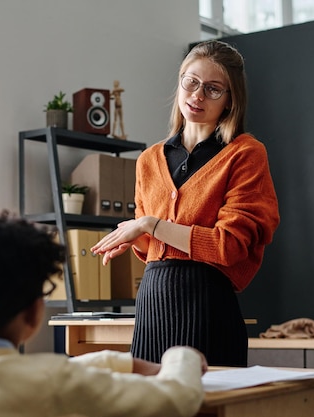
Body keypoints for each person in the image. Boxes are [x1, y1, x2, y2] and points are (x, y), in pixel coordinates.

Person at [0, 208, 207, 417]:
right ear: (35, 313)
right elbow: (176, 398)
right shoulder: (50, 381)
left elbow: (57, 373)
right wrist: (181, 356)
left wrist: (115, 361)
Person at [91, 40, 280, 367]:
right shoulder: (149, 159)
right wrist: (138, 237)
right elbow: (152, 247)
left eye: (213, 89)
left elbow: (228, 246)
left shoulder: (245, 154)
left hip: (207, 306)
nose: (197, 95)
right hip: (152, 305)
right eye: (191, 82)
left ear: (230, 99)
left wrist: (149, 225)